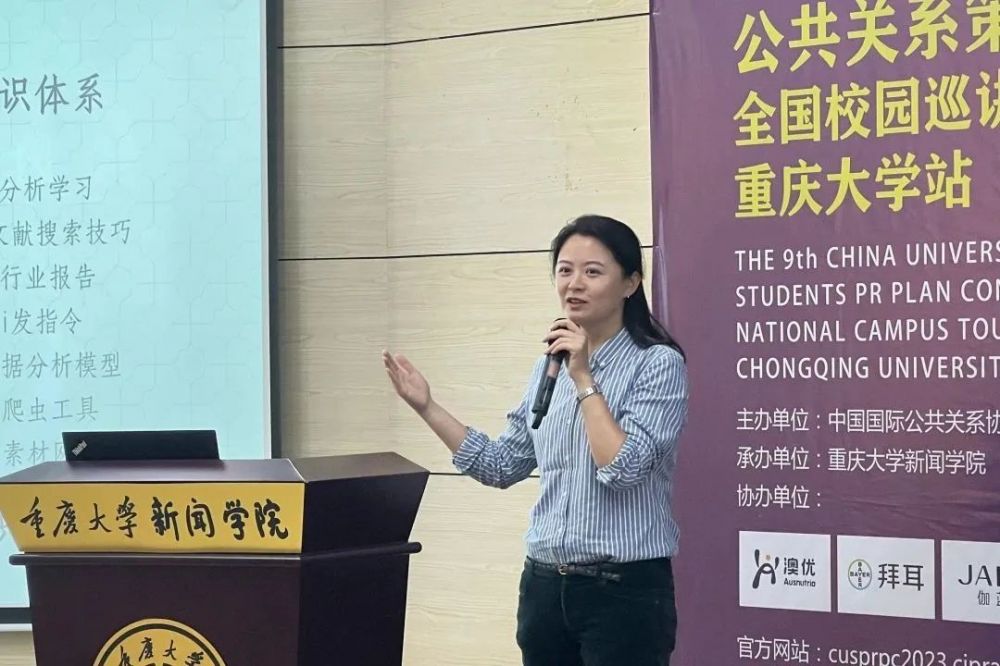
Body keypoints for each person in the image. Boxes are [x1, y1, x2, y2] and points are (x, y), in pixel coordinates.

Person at [382, 214, 689, 665]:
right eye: (565, 270)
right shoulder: (548, 365)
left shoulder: (657, 364)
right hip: (545, 587)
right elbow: (501, 464)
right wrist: (427, 407)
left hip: (623, 591)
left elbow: (623, 468)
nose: (574, 284)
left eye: (593, 271)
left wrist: (583, 377)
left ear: (630, 283)